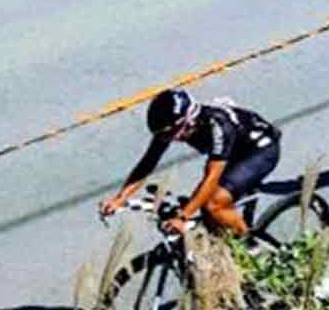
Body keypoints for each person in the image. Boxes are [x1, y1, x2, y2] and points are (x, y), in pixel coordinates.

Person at [99, 88, 281, 238]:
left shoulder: (217, 126)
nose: (167, 139)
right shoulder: (173, 127)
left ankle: (250, 247)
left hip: (259, 150)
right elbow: (148, 162)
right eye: (162, 135)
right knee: (207, 216)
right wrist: (120, 198)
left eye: (170, 134)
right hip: (233, 152)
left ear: (188, 122)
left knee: (212, 203)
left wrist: (183, 216)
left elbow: (211, 177)